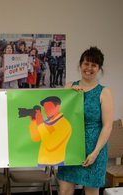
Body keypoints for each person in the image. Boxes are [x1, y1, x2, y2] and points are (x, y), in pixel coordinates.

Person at [57, 46, 114, 195]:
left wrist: (95, 153)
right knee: (64, 191)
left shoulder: (104, 92)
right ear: (80, 65)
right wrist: (69, 95)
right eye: (86, 64)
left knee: (91, 192)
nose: (89, 68)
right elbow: (58, 115)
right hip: (70, 147)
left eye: (94, 65)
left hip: (94, 149)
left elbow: (107, 126)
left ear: (99, 68)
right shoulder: (69, 86)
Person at [20, 96, 72, 166]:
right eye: (45, 108)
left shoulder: (64, 124)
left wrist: (40, 124)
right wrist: (33, 122)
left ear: (58, 107)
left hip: (56, 163)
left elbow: (50, 144)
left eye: (49, 107)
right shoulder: (48, 122)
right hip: (42, 162)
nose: (46, 110)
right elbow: (36, 138)